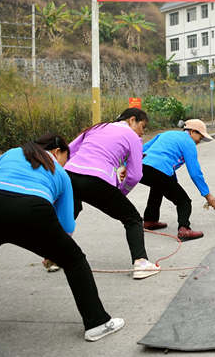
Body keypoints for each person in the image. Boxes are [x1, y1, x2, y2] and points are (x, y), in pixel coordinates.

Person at [0, 134, 124, 341]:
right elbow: (67, 225)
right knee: (75, 260)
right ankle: (97, 323)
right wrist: (55, 253)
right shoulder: (59, 172)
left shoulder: (11, 153)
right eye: (65, 158)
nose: (65, 164)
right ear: (56, 152)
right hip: (31, 210)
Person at [65, 108, 160, 280]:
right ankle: (141, 263)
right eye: (143, 126)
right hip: (96, 179)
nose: (142, 132)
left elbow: (69, 150)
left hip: (69, 175)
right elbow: (135, 175)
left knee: (71, 211)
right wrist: (120, 193)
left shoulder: (97, 128)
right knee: (132, 219)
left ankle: (54, 256)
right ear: (132, 120)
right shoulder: (133, 137)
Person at [140, 119, 215, 241]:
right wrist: (207, 195)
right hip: (159, 171)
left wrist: (126, 165)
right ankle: (184, 229)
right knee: (184, 201)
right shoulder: (189, 143)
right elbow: (195, 173)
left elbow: (142, 149)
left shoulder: (166, 134)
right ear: (192, 132)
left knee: (157, 188)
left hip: (142, 168)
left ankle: (150, 220)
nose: (199, 141)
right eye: (200, 138)